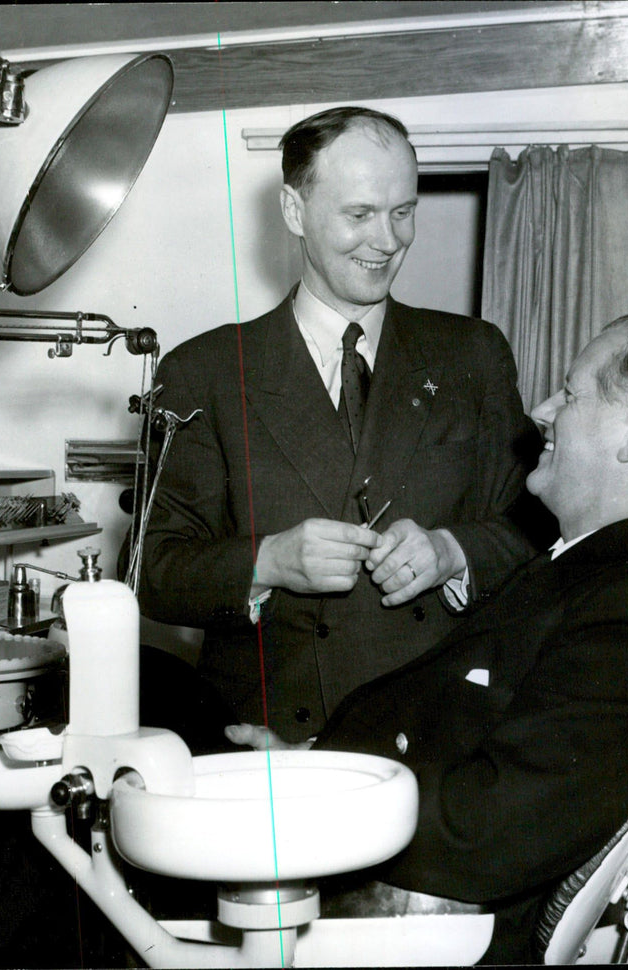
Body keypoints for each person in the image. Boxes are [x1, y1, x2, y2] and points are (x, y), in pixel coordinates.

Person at [228, 313, 628, 963]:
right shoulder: (589, 574)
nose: (541, 410)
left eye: (571, 391)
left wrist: (309, 799)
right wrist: (311, 764)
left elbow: (484, 835)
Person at [135, 106, 550, 742]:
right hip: (265, 743)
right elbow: (149, 571)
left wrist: (451, 551)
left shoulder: (473, 353)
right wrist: (267, 560)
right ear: (295, 211)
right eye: (359, 215)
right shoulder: (206, 372)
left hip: (437, 738)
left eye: (403, 212)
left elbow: (540, 523)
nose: (387, 240)